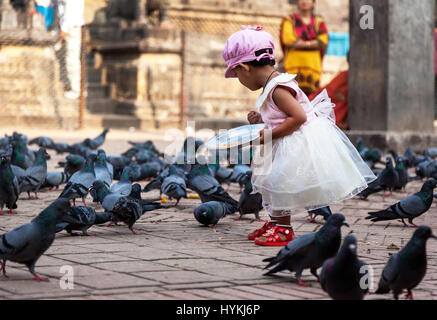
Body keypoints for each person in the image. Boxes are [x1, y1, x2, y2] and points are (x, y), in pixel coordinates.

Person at [222, 26, 376, 246]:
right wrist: (261, 120)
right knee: (269, 182)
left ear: (245, 67)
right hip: (281, 140)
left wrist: (268, 134)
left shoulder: (278, 88)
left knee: (279, 182)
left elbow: (298, 117)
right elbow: (280, 115)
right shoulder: (271, 85)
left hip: (295, 143)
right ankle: (275, 222)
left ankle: (283, 228)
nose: (238, 79)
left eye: (235, 74)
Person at [279, 0, 328, 96]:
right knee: (291, 97)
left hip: (312, 68)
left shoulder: (319, 22)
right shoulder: (289, 19)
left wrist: (300, 43)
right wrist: (312, 44)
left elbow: (323, 40)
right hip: (293, 67)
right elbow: (288, 40)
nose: (304, 1)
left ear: (313, 3)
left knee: (311, 101)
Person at [55, 0, 85, 99]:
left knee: (72, 60)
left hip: (71, 27)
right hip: (67, 26)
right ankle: (76, 87)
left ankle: (77, 90)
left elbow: (70, 10)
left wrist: (64, 28)